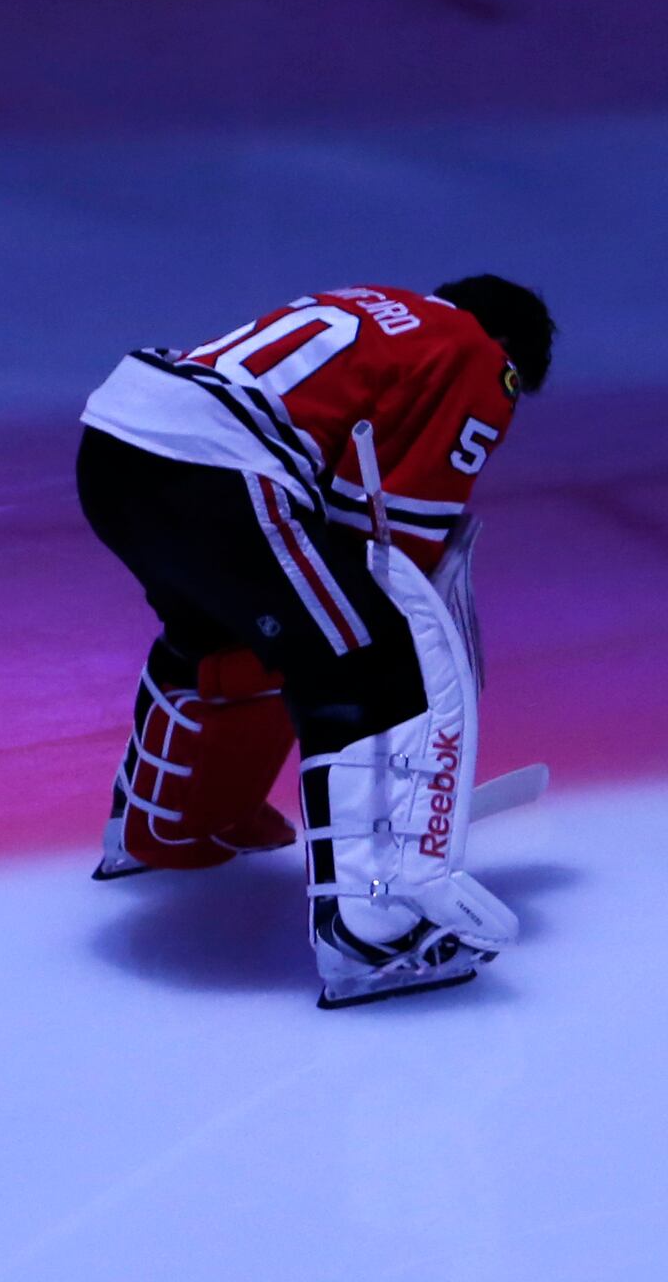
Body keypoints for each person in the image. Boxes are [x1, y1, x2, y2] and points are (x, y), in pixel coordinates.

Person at [76, 276, 554, 1008]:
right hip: (219, 469)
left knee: (220, 634)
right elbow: (394, 535)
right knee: (371, 665)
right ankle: (378, 928)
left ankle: (168, 828)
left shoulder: (383, 307)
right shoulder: (482, 354)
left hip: (118, 442)